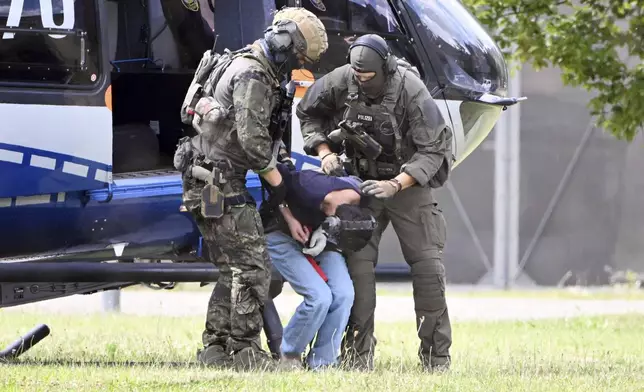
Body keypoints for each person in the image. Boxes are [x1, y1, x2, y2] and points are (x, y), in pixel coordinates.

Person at [173, 7, 328, 370]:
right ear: (286, 43)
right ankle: (244, 351)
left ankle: (215, 349)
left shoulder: (246, 64)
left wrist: (281, 194)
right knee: (253, 267)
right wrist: (282, 188)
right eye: (299, 58)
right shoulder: (252, 75)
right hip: (218, 183)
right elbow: (255, 143)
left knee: (233, 269)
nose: (298, 66)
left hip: (209, 181)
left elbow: (264, 142)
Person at [295, 34, 454, 372]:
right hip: (360, 184)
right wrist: (325, 153)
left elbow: (432, 150)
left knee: (427, 268)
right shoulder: (343, 78)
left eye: (369, 76)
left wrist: (396, 183)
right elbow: (307, 111)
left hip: (407, 184)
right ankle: (357, 357)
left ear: (385, 68)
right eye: (358, 75)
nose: (362, 80)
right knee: (358, 271)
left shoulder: (411, 90)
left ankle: (435, 359)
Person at [259, 158, 376, 370]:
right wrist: (289, 218)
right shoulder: (308, 185)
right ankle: (289, 356)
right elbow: (270, 175)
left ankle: (323, 363)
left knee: (343, 294)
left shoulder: (364, 199)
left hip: (321, 237)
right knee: (319, 297)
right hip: (280, 233)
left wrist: (325, 232)